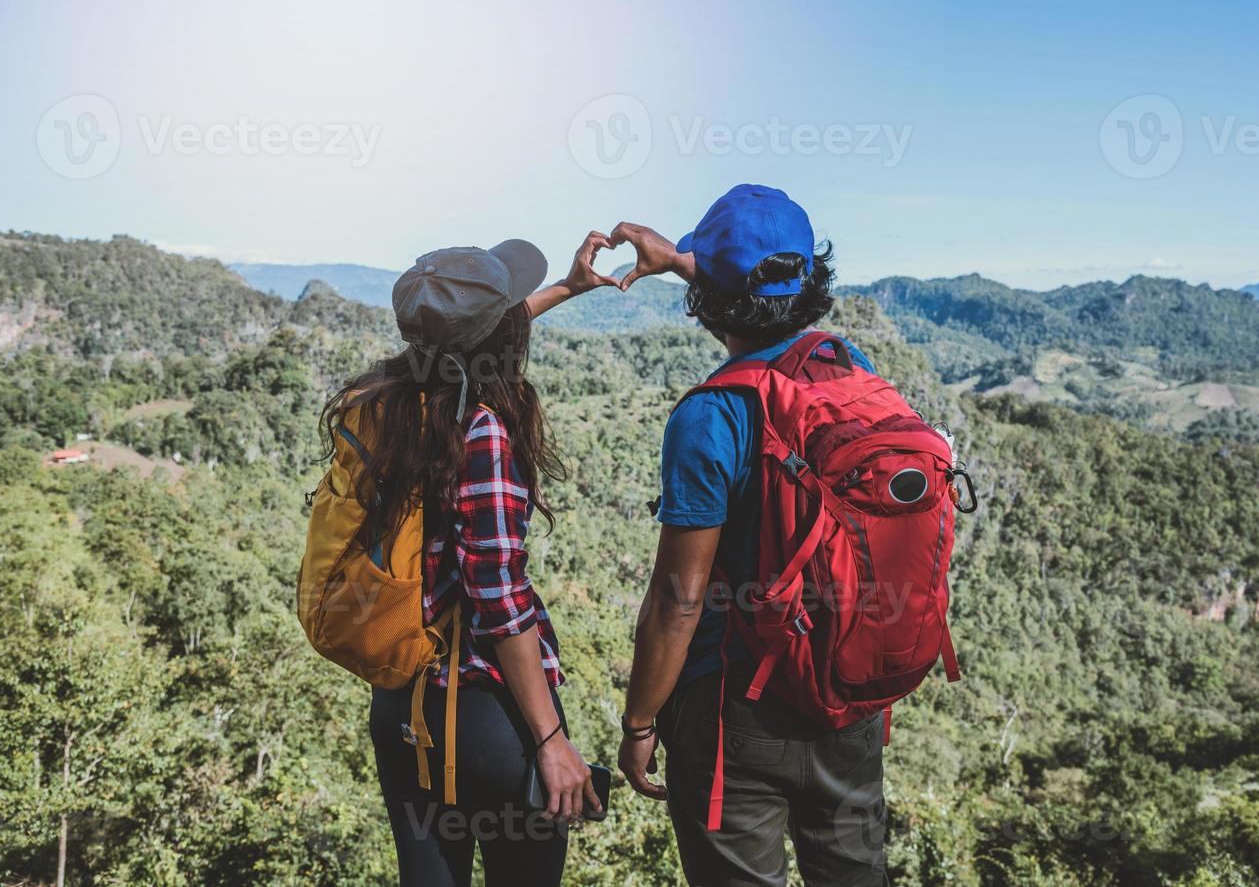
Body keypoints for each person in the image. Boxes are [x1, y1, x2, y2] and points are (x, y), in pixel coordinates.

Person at [612, 185, 890, 886]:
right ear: (811, 278)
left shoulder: (710, 417)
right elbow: (764, 304)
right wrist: (684, 261)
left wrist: (640, 722)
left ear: (710, 299)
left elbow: (678, 601)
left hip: (735, 711)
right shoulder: (848, 370)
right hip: (846, 691)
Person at [321, 233, 619, 887]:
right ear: (497, 340)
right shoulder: (481, 431)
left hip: (402, 708)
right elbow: (500, 600)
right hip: (487, 720)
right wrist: (549, 742)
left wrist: (566, 288)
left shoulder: (380, 403)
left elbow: (462, 347)